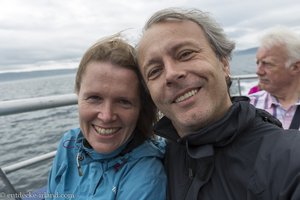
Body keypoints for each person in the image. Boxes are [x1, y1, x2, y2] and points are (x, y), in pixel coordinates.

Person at [136, 8, 300, 200]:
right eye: (154, 71)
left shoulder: (289, 160)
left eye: (186, 54)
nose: (171, 74)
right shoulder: (155, 162)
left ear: (224, 63)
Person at [47, 34, 167, 200]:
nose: (106, 116)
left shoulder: (146, 177)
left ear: (140, 107)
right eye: (95, 98)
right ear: (78, 94)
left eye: (123, 101)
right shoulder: (69, 144)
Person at [248, 27, 300, 130]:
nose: (258, 72)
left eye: (267, 64)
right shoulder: (249, 107)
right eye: (258, 63)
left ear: (295, 67)